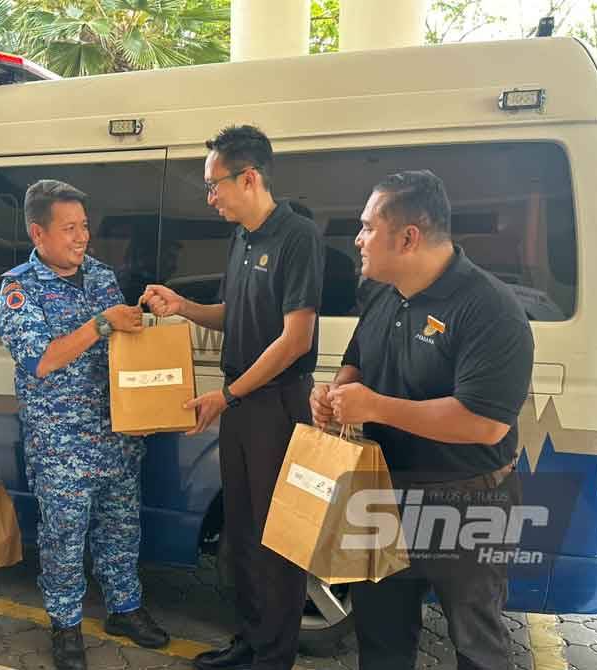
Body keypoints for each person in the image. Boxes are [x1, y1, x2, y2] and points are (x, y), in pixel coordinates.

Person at [310, 170, 534, 669]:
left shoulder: (490, 309)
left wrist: (375, 407)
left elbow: (484, 423)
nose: (358, 238)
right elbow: (358, 359)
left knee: (477, 642)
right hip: (382, 494)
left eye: (368, 227)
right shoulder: (381, 294)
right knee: (382, 636)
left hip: (467, 500)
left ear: (409, 237)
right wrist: (333, 392)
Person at [142, 125, 325, 670]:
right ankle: (247, 642)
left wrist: (228, 395)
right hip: (244, 406)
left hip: (276, 405)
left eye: (214, 184)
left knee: (278, 539)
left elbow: (296, 339)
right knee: (241, 534)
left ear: (249, 178)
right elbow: (236, 315)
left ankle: (273, 656)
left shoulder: (297, 237)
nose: (210, 196)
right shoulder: (242, 237)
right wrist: (184, 307)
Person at [0, 179, 169, 670]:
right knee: (64, 538)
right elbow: (42, 360)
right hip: (62, 444)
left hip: (117, 434)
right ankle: (66, 624)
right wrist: (102, 324)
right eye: (68, 228)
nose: (81, 237)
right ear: (38, 232)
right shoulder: (18, 288)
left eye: (85, 226)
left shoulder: (100, 275)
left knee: (121, 530)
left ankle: (124, 608)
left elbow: (122, 348)